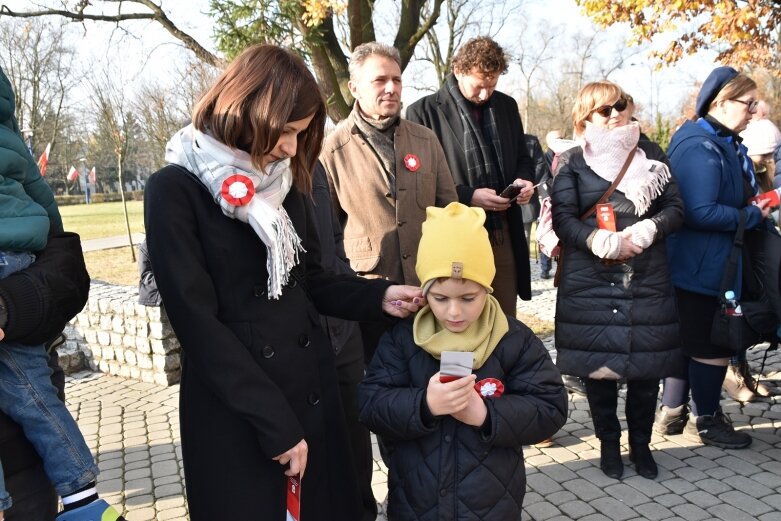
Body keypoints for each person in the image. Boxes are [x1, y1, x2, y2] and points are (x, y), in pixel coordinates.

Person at [144, 44, 424, 519]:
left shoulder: (285, 181)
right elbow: (197, 324)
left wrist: (379, 296)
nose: (292, 148)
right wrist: (275, 424)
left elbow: (310, 279)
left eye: (302, 134)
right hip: (239, 409)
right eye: (287, 131)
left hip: (311, 391)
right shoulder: (173, 189)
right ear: (249, 108)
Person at [359, 202, 567, 520]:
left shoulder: (512, 339)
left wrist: (486, 415)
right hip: (418, 503)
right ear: (424, 290)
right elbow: (371, 404)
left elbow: (550, 407)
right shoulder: (404, 338)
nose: (454, 312)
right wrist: (423, 404)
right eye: (440, 298)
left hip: (491, 504)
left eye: (468, 298)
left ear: (487, 287)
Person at [0, 65, 121, 520]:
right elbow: (47, 210)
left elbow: (65, 261)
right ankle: (83, 498)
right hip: (19, 253)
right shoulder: (6, 121)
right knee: (34, 393)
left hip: (17, 271)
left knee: (30, 391)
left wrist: (11, 305)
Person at [552, 81, 684, 480]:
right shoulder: (571, 161)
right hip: (592, 278)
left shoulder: (652, 154)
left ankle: (641, 445)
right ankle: (609, 445)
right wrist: (596, 238)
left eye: (620, 105)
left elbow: (677, 208)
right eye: (604, 109)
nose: (615, 114)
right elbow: (563, 220)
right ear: (585, 117)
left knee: (646, 368)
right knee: (600, 369)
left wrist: (648, 230)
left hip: (647, 275)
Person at [319, 42, 457, 363]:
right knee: (385, 396)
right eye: (380, 80)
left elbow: (451, 214)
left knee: (442, 383)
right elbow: (327, 240)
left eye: (397, 79)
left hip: (431, 293)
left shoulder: (426, 140)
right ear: (354, 88)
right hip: (371, 303)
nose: (392, 88)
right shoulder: (331, 151)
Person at [658, 67, 774, 449]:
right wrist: (752, 215)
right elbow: (699, 211)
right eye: (748, 103)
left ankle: (673, 412)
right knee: (711, 344)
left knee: (689, 339)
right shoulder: (700, 146)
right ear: (721, 103)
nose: (754, 111)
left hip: (709, 262)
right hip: (701, 264)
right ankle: (705, 419)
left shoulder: (720, 140)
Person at [406, 36, 535, 316]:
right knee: (459, 319)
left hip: (502, 233)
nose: (486, 94)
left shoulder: (507, 106)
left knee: (502, 318)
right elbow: (419, 182)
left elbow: (523, 159)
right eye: (479, 86)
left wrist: (524, 182)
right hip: (454, 236)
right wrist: (468, 196)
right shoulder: (422, 112)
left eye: (492, 86)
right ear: (458, 70)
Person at [0, 230, 90, 521]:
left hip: (25, 463)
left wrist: (8, 306)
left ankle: (83, 496)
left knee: (33, 397)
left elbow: (66, 268)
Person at [310, 163, 376, 521]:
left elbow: (334, 240)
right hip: (301, 336)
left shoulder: (313, 166)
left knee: (355, 436)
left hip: (341, 326)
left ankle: (363, 511)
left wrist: (347, 278)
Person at [521, 134, 552, 276]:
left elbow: (541, 166)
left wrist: (528, 183)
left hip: (526, 199)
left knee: (524, 239)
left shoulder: (530, 141)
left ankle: (523, 275)